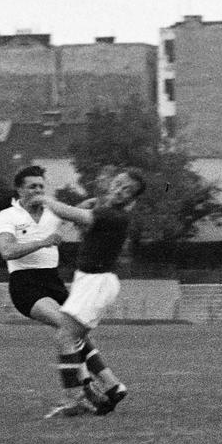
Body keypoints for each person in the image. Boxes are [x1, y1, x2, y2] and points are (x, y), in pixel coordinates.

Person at [0, 166, 125, 410]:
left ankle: (102, 387)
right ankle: (97, 384)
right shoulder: (7, 216)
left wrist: (96, 200)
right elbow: (7, 251)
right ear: (19, 189)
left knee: (77, 333)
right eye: (32, 186)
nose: (38, 190)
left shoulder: (51, 212)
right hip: (25, 284)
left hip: (52, 281)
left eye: (42, 186)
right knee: (68, 329)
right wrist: (43, 242)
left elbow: (78, 212)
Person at [39, 170, 143, 417]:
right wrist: (87, 206)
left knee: (65, 337)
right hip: (91, 281)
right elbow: (82, 221)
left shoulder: (112, 215)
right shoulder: (107, 212)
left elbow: (71, 215)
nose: (119, 189)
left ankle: (73, 399)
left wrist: (45, 200)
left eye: (126, 189)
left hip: (95, 283)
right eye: (118, 183)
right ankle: (112, 386)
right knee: (76, 339)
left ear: (132, 200)